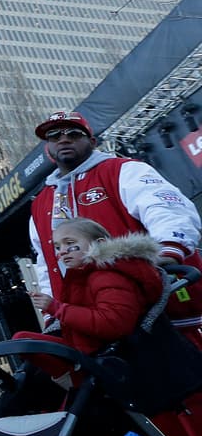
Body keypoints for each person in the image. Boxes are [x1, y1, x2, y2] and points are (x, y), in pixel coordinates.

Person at [28, 110, 202, 349]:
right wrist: (53, 314)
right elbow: (46, 264)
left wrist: (168, 254)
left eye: (73, 133)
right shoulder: (41, 203)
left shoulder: (124, 169)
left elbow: (166, 208)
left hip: (157, 310)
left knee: (186, 378)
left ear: (92, 141)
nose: (64, 139)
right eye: (55, 135)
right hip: (91, 323)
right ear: (48, 148)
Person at [0, 220, 165, 422]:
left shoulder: (108, 275)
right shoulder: (86, 276)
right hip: (91, 352)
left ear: (99, 243)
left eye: (70, 244)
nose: (62, 252)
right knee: (24, 341)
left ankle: (13, 415)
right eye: (58, 247)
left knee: (28, 347)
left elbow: (114, 324)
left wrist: (56, 308)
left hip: (108, 357)